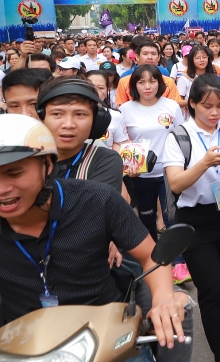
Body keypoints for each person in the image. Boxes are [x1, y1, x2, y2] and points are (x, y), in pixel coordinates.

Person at [0, 115, 191, 355]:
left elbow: (151, 256)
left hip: (106, 338)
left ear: (47, 166)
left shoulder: (97, 200)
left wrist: (163, 298)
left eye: (14, 173)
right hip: (21, 345)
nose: (2, 188)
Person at [163, 75, 220, 362]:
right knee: (210, 286)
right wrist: (205, 162)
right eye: (207, 106)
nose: (214, 112)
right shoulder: (179, 137)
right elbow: (175, 184)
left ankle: (216, 325)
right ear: (192, 103)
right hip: (194, 221)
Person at [121, 66, 185, 249]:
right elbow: (122, 141)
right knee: (146, 218)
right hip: (139, 176)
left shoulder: (171, 106)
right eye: (141, 82)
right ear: (134, 85)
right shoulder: (125, 109)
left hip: (169, 173)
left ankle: (178, 261)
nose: (147, 87)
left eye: (152, 81)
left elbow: (181, 137)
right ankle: (152, 259)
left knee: (172, 218)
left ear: (160, 83)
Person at [36, 77, 124, 195]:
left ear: (96, 120)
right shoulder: (23, 158)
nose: (68, 125)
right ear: (41, 117)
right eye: (57, 114)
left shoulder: (105, 161)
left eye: (80, 114)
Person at [115, 42, 182, 106]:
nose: (149, 57)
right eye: (145, 54)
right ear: (137, 57)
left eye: (153, 54)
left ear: (158, 58)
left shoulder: (169, 82)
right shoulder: (124, 82)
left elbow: (173, 107)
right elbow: (122, 108)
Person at [86, 70, 130, 151]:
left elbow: (121, 144)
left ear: (107, 91)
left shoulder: (115, 116)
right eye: (90, 86)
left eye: (100, 88)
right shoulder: (71, 113)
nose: (95, 91)